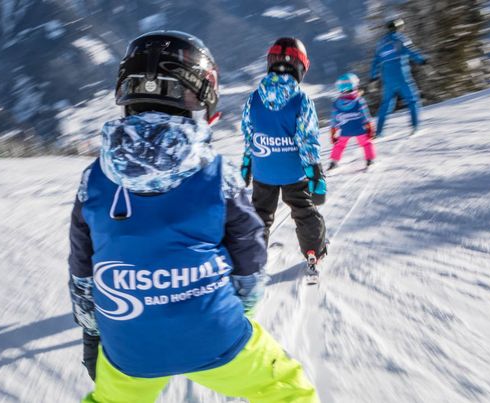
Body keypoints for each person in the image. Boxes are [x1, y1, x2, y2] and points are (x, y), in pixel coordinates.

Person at [67, 30, 319, 403]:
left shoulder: (95, 180)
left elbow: (82, 273)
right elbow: (250, 257)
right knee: (287, 390)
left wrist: (93, 336)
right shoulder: (218, 174)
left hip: (129, 350)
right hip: (217, 334)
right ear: (199, 93)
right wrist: (237, 311)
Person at [239, 37, 327, 283]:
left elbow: (249, 134)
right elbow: (308, 140)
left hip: (263, 171)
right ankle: (313, 252)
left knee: (259, 215)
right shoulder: (301, 100)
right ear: (301, 67)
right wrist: (316, 175)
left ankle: (252, 261)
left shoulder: (254, 98)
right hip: (294, 173)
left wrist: (247, 163)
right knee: (304, 211)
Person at [370, 18, 429, 137]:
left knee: (386, 104)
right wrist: (422, 60)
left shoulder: (381, 44)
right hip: (402, 76)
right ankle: (414, 127)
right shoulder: (401, 39)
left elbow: (375, 61)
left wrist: (373, 77)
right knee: (412, 100)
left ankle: (379, 132)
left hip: (387, 79)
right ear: (399, 27)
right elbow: (412, 52)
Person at [328, 73, 377, 171]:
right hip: (359, 129)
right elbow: (366, 116)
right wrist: (370, 128)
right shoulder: (359, 101)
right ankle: (369, 160)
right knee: (366, 143)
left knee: (339, 145)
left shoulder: (337, 103)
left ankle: (334, 162)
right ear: (354, 86)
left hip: (345, 130)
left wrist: (333, 133)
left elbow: (334, 119)